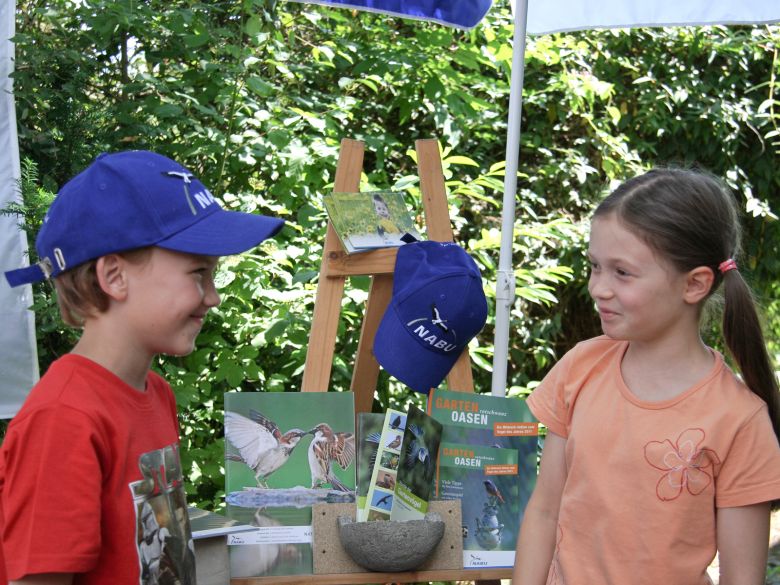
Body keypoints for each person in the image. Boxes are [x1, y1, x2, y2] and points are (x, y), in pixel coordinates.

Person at [0, 150, 284, 585]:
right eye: (198, 273)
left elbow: (149, 561)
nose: (213, 297)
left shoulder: (156, 394)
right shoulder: (63, 419)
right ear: (114, 276)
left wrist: (239, 562)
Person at [513, 168, 780, 585]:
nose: (598, 288)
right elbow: (544, 511)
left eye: (622, 272)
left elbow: (741, 578)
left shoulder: (739, 420)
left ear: (694, 285)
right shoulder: (581, 368)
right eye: (595, 267)